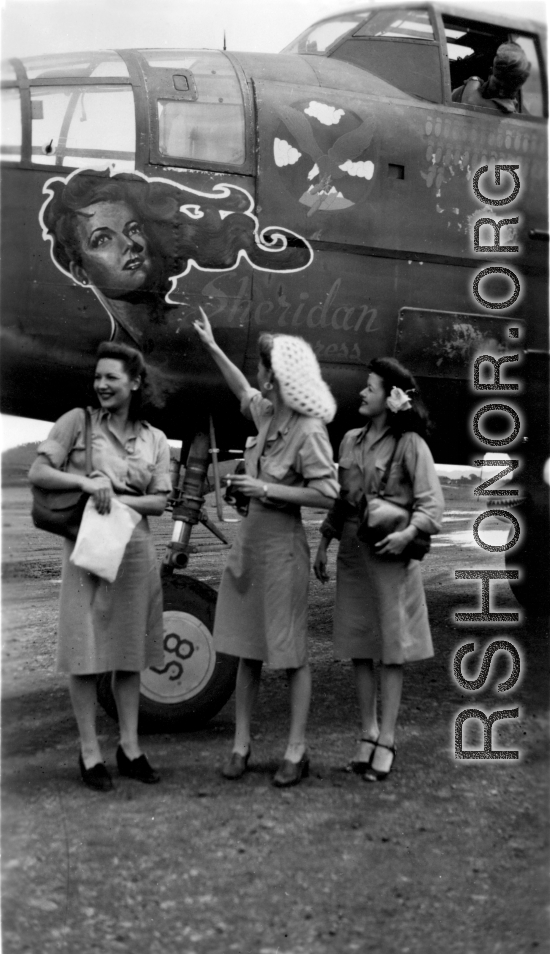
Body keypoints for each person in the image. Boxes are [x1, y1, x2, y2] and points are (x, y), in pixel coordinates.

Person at [194, 309, 339, 787]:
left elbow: (327, 494)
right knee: (245, 650)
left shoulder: (309, 430)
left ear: (275, 378)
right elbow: (241, 390)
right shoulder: (266, 413)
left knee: (291, 653)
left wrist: (266, 491)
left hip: (282, 554)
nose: (256, 377)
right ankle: (241, 745)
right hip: (249, 550)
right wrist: (212, 347)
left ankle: (296, 751)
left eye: (261, 368)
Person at [28, 341, 172, 791]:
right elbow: (38, 473)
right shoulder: (78, 420)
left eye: (111, 377)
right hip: (86, 549)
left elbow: (161, 501)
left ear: (135, 383)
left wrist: (122, 497)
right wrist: (86, 484)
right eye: (97, 377)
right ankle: (89, 751)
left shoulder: (156, 439)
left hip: (133, 550)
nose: (102, 384)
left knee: (128, 654)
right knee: (84, 654)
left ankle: (130, 748)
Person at [314, 358, 444, 782]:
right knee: (360, 646)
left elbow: (431, 508)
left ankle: (387, 738)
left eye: (370, 388)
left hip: (391, 556)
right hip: (353, 553)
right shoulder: (350, 440)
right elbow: (343, 499)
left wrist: (407, 536)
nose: (361, 393)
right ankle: (366, 733)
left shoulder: (410, 445)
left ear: (390, 397)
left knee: (391, 650)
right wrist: (325, 540)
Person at [41, 169, 313, 349]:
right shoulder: (118, 354)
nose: (130, 245)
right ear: (79, 272)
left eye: (133, 229)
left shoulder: (192, 328)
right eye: (102, 240)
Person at [451, 42, 531, 115]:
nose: (501, 92)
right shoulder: (464, 90)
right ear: (490, 72)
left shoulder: (509, 107)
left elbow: (470, 102)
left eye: (508, 89)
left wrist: (474, 79)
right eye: (497, 85)